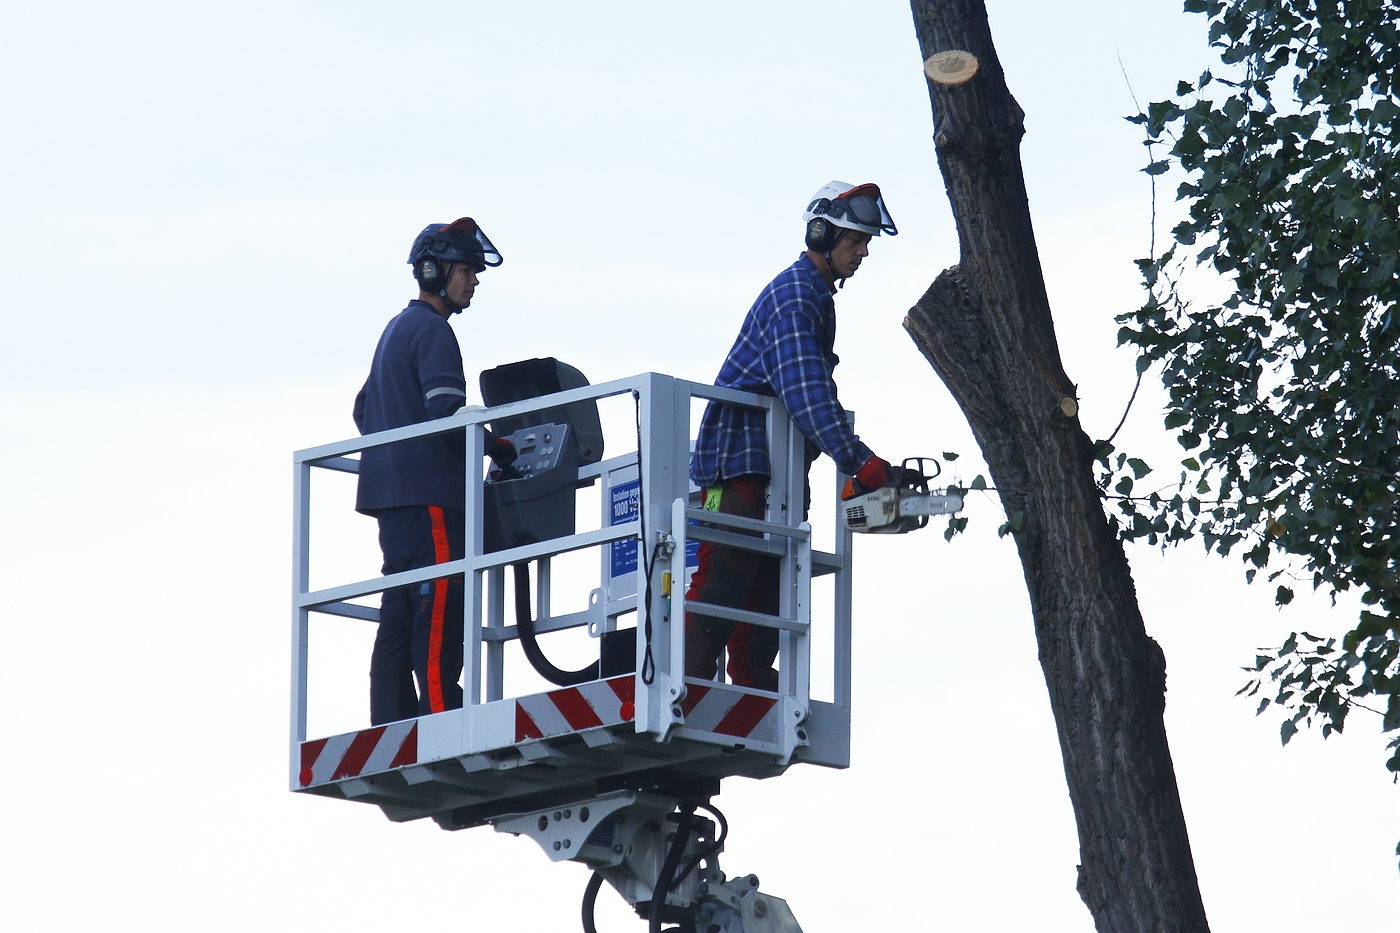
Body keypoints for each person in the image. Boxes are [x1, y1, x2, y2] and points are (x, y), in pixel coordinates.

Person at [685, 181, 902, 691]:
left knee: (771, 585)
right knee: (726, 574)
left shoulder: (815, 297)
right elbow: (806, 389)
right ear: (823, 233)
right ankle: (686, 687)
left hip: (773, 472)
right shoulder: (796, 295)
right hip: (735, 468)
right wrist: (859, 462)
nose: (864, 251)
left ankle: (755, 687)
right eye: (855, 240)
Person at [353, 217, 517, 725]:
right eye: (467, 270)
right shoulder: (432, 331)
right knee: (440, 607)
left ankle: (391, 719)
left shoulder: (395, 330)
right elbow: (446, 415)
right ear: (433, 270)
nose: (474, 281)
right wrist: (499, 447)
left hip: (391, 499)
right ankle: (444, 714)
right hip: (431, 502)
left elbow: (362, 410)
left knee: (399, 612)